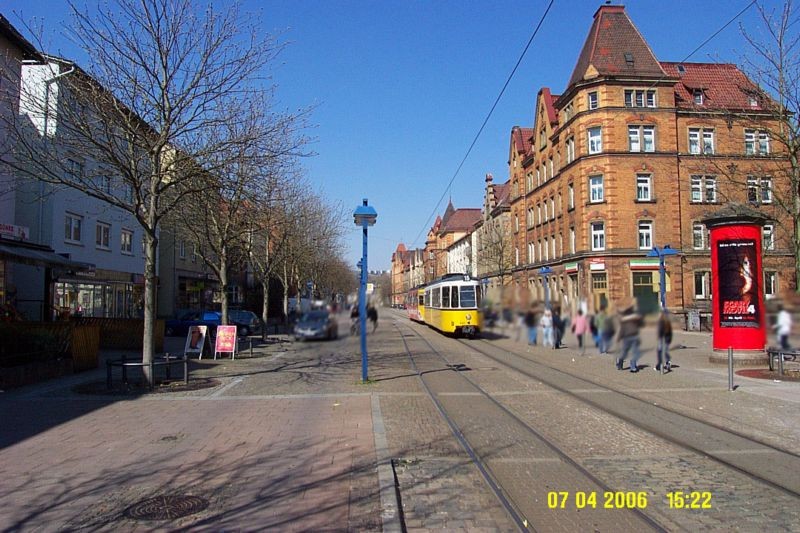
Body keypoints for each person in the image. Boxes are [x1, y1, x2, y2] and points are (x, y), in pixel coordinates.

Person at [616, 304, 643, 372]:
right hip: (627, 337)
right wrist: (619, 337)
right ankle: (620, 364)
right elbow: (622, 329)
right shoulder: (625, 320)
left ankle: (632, 367)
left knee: (634, 352)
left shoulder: (635, 319)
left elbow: (640, 324)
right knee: (624, 352)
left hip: (634, 336)